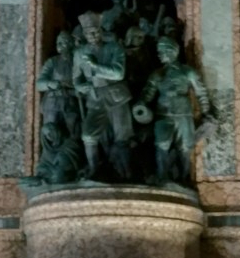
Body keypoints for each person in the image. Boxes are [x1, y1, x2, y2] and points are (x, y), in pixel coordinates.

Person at [137, 35, 210, 184]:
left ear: (171, 51)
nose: (159, 54)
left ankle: (185, 178)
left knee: (185, 146)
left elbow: (201, 93)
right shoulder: (157, 74)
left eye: (162, 51)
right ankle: (162, 176)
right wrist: (141, 104)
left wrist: (206, 112)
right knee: (161, 144)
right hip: (163, 113)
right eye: (158, 51)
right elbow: (148, 93)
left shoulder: (187, 72)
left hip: (183, 113)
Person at [72, 10, 134, 180]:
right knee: (88, 134)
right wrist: (80, 86)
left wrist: (96, 66)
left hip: (117, 96)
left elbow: (118, 73)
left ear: (101, 31)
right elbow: (76, 78)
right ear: (84, 34)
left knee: (122, 138)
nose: (93, 35)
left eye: (96, 31)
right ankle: (94, 168)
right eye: (89, 32)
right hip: (95, 98)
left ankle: (126, 173)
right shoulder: (79, 53)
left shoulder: (114, 48)